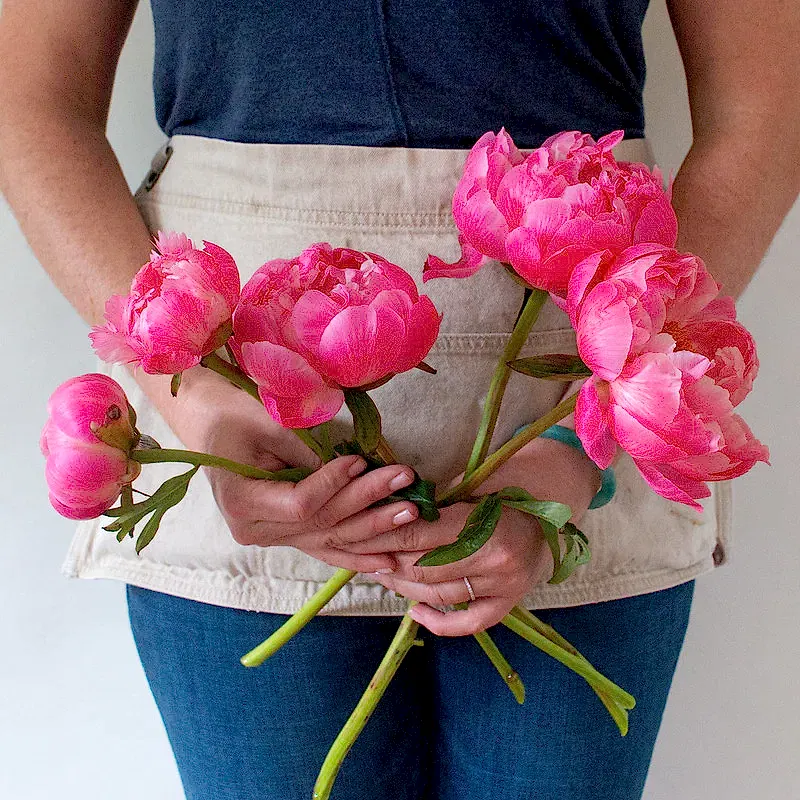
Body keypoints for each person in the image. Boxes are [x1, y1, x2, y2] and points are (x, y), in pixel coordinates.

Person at [1, 1, 797, 798]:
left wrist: (583, 446)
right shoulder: (215, 405)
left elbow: (768, 107)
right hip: (238, 386)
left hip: (587, 369)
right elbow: (29, 98)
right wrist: (203, 406)